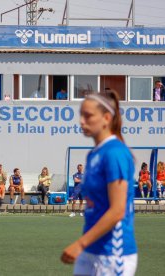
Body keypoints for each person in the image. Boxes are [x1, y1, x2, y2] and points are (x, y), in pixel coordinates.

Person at [61, 91, 137, 275]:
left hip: (113, 252)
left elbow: (118, 210)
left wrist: (80, 244)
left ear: (106, 118)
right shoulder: (94, 154)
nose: (81, 121)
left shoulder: (115, 153)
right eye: (81, 115)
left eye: (88, 115)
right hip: (91, 250)